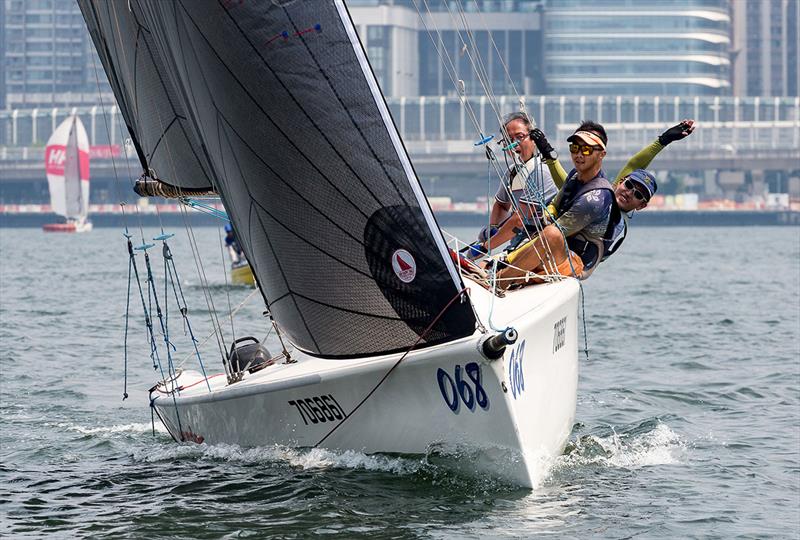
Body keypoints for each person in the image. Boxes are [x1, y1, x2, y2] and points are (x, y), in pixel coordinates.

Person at [534, 119, 696, 263]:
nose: (629, 193)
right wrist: (664, 139)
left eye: (638, 195)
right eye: (629, 186)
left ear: (641, 206)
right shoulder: (599, 191)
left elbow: (632, 166)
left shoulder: (611, 212)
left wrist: (549, 156)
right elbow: (633, 166)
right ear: (620, 182)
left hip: (567, 264)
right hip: (548, 247)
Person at [494, 120, 614, 287]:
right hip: (554, 251)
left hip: (574, 262)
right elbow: (555, 204)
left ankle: (499, 281)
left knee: (551, 233)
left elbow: (554, 233)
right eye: (575, 148)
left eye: (586, 149)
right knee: (546, 231)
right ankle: (499, 271)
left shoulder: (595, 199)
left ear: (601, 154)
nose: (579, 155)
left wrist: (507, 259)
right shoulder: (575, 175)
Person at [464, 112, 559, 259]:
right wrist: (493, 228)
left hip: (542, 244)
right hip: (518, 243)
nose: (514, 144)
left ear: (533, 139)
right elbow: (501, 205)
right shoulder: (512, 173)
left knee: (487, 266)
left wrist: (485, 247)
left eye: (520, 137)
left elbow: (519, 219)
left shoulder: (542, 171)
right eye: (508, 140)